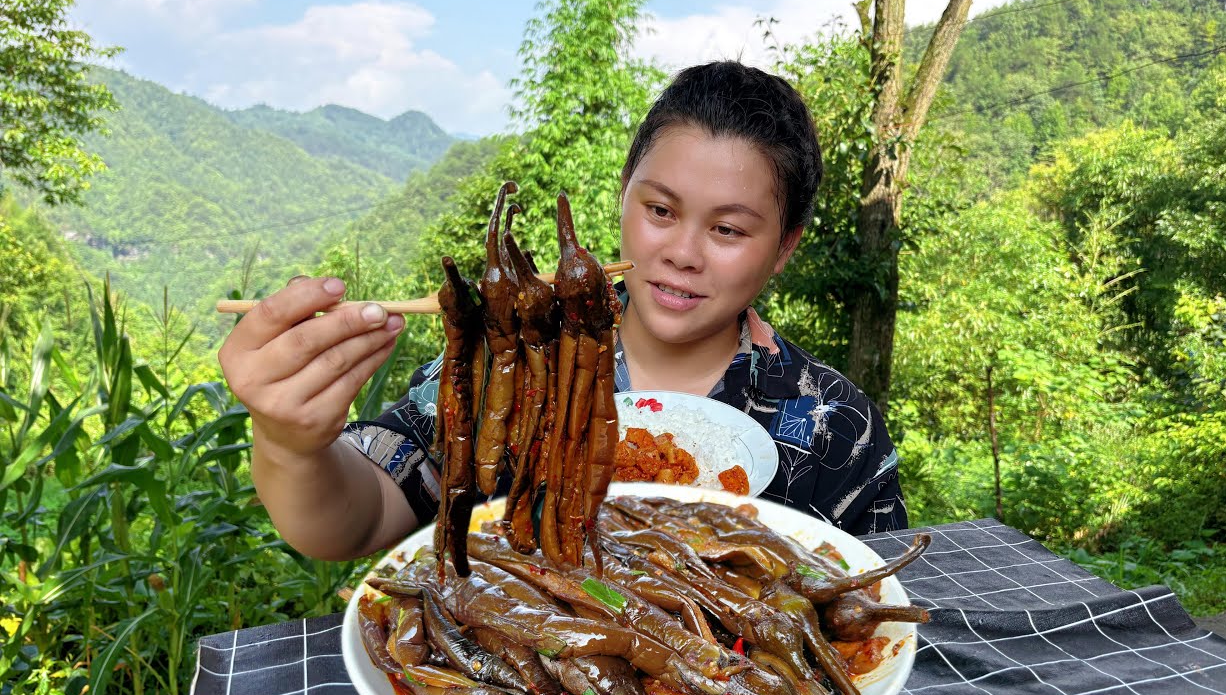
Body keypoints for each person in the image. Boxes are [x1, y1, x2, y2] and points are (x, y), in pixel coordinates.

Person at [217, 60, 906, 562]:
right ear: (625, 196)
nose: (682, 252)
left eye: (728, 229)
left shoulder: (833, 430)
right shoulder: (509, 360)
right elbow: (356, 522)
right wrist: (290, 444)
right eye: (660, 210)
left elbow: (868, 606)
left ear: (783, 247)